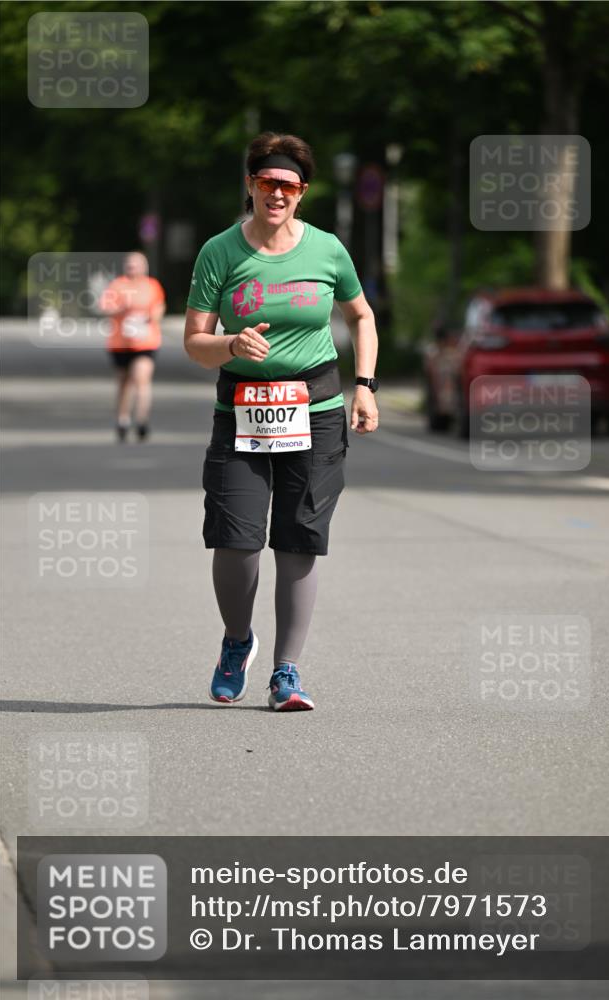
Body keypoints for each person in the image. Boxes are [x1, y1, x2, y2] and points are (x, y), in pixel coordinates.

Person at [184, 131, 379, 711]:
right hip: (241, 411)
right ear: (250, 185)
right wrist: (229, 345)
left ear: (302, 193)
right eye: (267, 182)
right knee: (236, 540)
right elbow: (194, 341)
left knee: (299, 539)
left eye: (288, 186)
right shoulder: (220, 252)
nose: (277, 194)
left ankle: (285, 673)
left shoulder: (326, 250)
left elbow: (361, 315)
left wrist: (364, 386)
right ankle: (237, 642)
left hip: (315, 411)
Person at [100, 251, 166, 441]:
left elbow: (159, 307)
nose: (133, 268)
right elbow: (106, 308)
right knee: (123, 382)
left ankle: (142, 420)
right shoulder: (117, 285)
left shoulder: (152, 286)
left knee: (142, 379)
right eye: (129, 264)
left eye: (136, 264)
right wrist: (123, 309)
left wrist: (149, 317)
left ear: (144, 267)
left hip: (146, 342)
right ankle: (122, 420)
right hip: (120, 343)